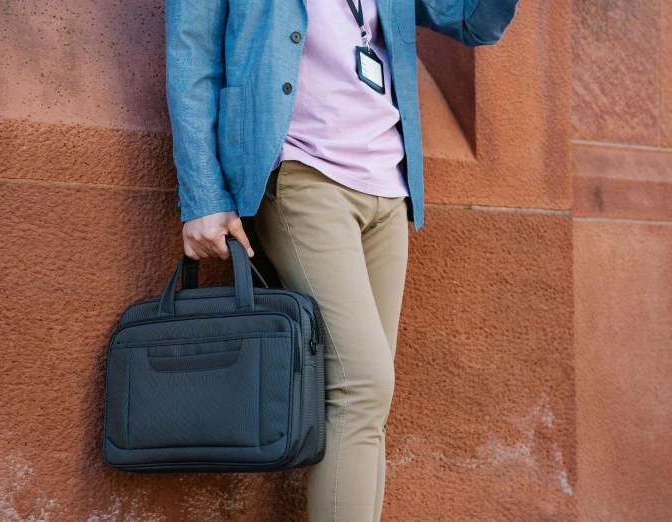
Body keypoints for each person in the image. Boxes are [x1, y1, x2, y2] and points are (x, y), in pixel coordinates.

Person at [164, 0, 518, 520]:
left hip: (387, 185)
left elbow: (472, 20)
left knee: (367, 402)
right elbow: (190, 47)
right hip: (303, 172)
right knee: (362, 385)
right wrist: (202, 195)